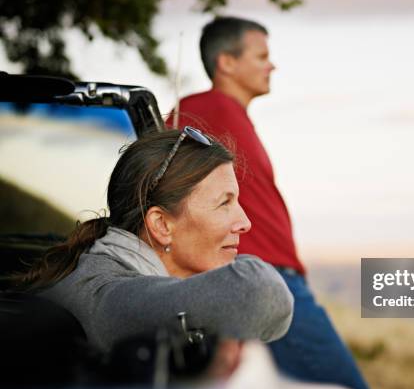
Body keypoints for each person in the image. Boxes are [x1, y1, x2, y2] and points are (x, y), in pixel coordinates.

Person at [168, 16, 373, 389]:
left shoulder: (228, 116)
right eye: (261, 56)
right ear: (226, 62)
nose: (272, 65)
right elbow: (160, 176)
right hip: (260, 278)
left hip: (267, 278)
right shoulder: (205, 108)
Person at [18, 128, 294, 352]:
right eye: (224, 203)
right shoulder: (108, 297)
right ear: (161, 225)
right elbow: (263, 293)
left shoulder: (100, 269)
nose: (245, 223)